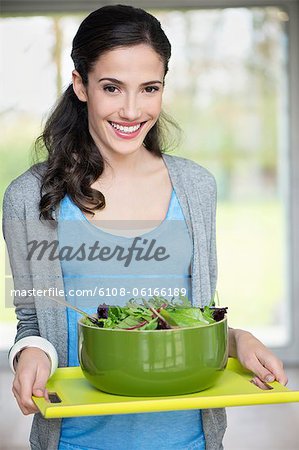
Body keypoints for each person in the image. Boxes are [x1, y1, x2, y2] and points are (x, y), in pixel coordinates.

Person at [3, 4, 287, 450]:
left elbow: (189, 316)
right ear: (81, 85)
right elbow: (32, 320)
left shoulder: (196, 187)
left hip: (189, 438)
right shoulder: (30, 198)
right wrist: (31, 352)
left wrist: (234, 339)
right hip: (77, 441)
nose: (132, 110)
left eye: (149, 88)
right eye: (112, 88)